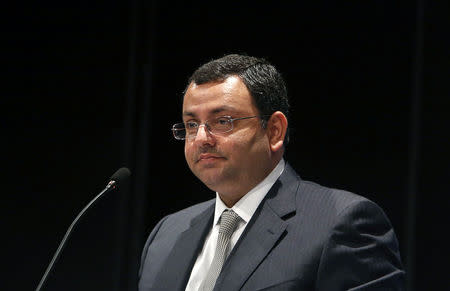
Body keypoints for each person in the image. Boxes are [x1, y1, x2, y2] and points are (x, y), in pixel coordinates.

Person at [138, 54, 405, 290]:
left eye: (222, 121)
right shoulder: (167, 234)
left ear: (275, 130)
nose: (201, 138)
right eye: (191, 124)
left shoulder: (342, 223)